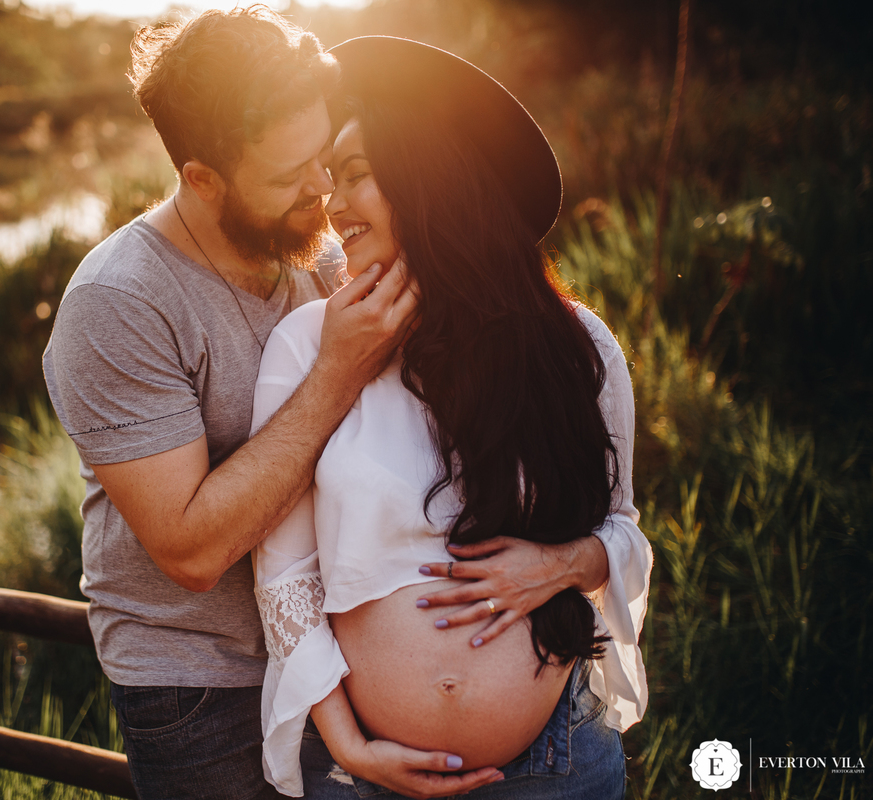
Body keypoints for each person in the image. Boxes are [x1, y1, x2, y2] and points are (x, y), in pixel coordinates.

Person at [42, 10, 434, 800]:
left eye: (323, 159)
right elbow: (189, 552)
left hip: (341, 654)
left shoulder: (323, 256)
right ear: (201, 179)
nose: (321, 192)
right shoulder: (121, 301)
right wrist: (336, 373)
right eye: (291, 176)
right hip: (199, 691)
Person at [251, 37, 653, 799]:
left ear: (430, 181)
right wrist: (348, 747)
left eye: (360, 176)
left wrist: (561, 565)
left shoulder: (577, 348)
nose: (334, 203)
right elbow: (285, 574)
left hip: (556, 767)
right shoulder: (307, 347)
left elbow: (622, 530)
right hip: (364, 774)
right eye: (334, 179)